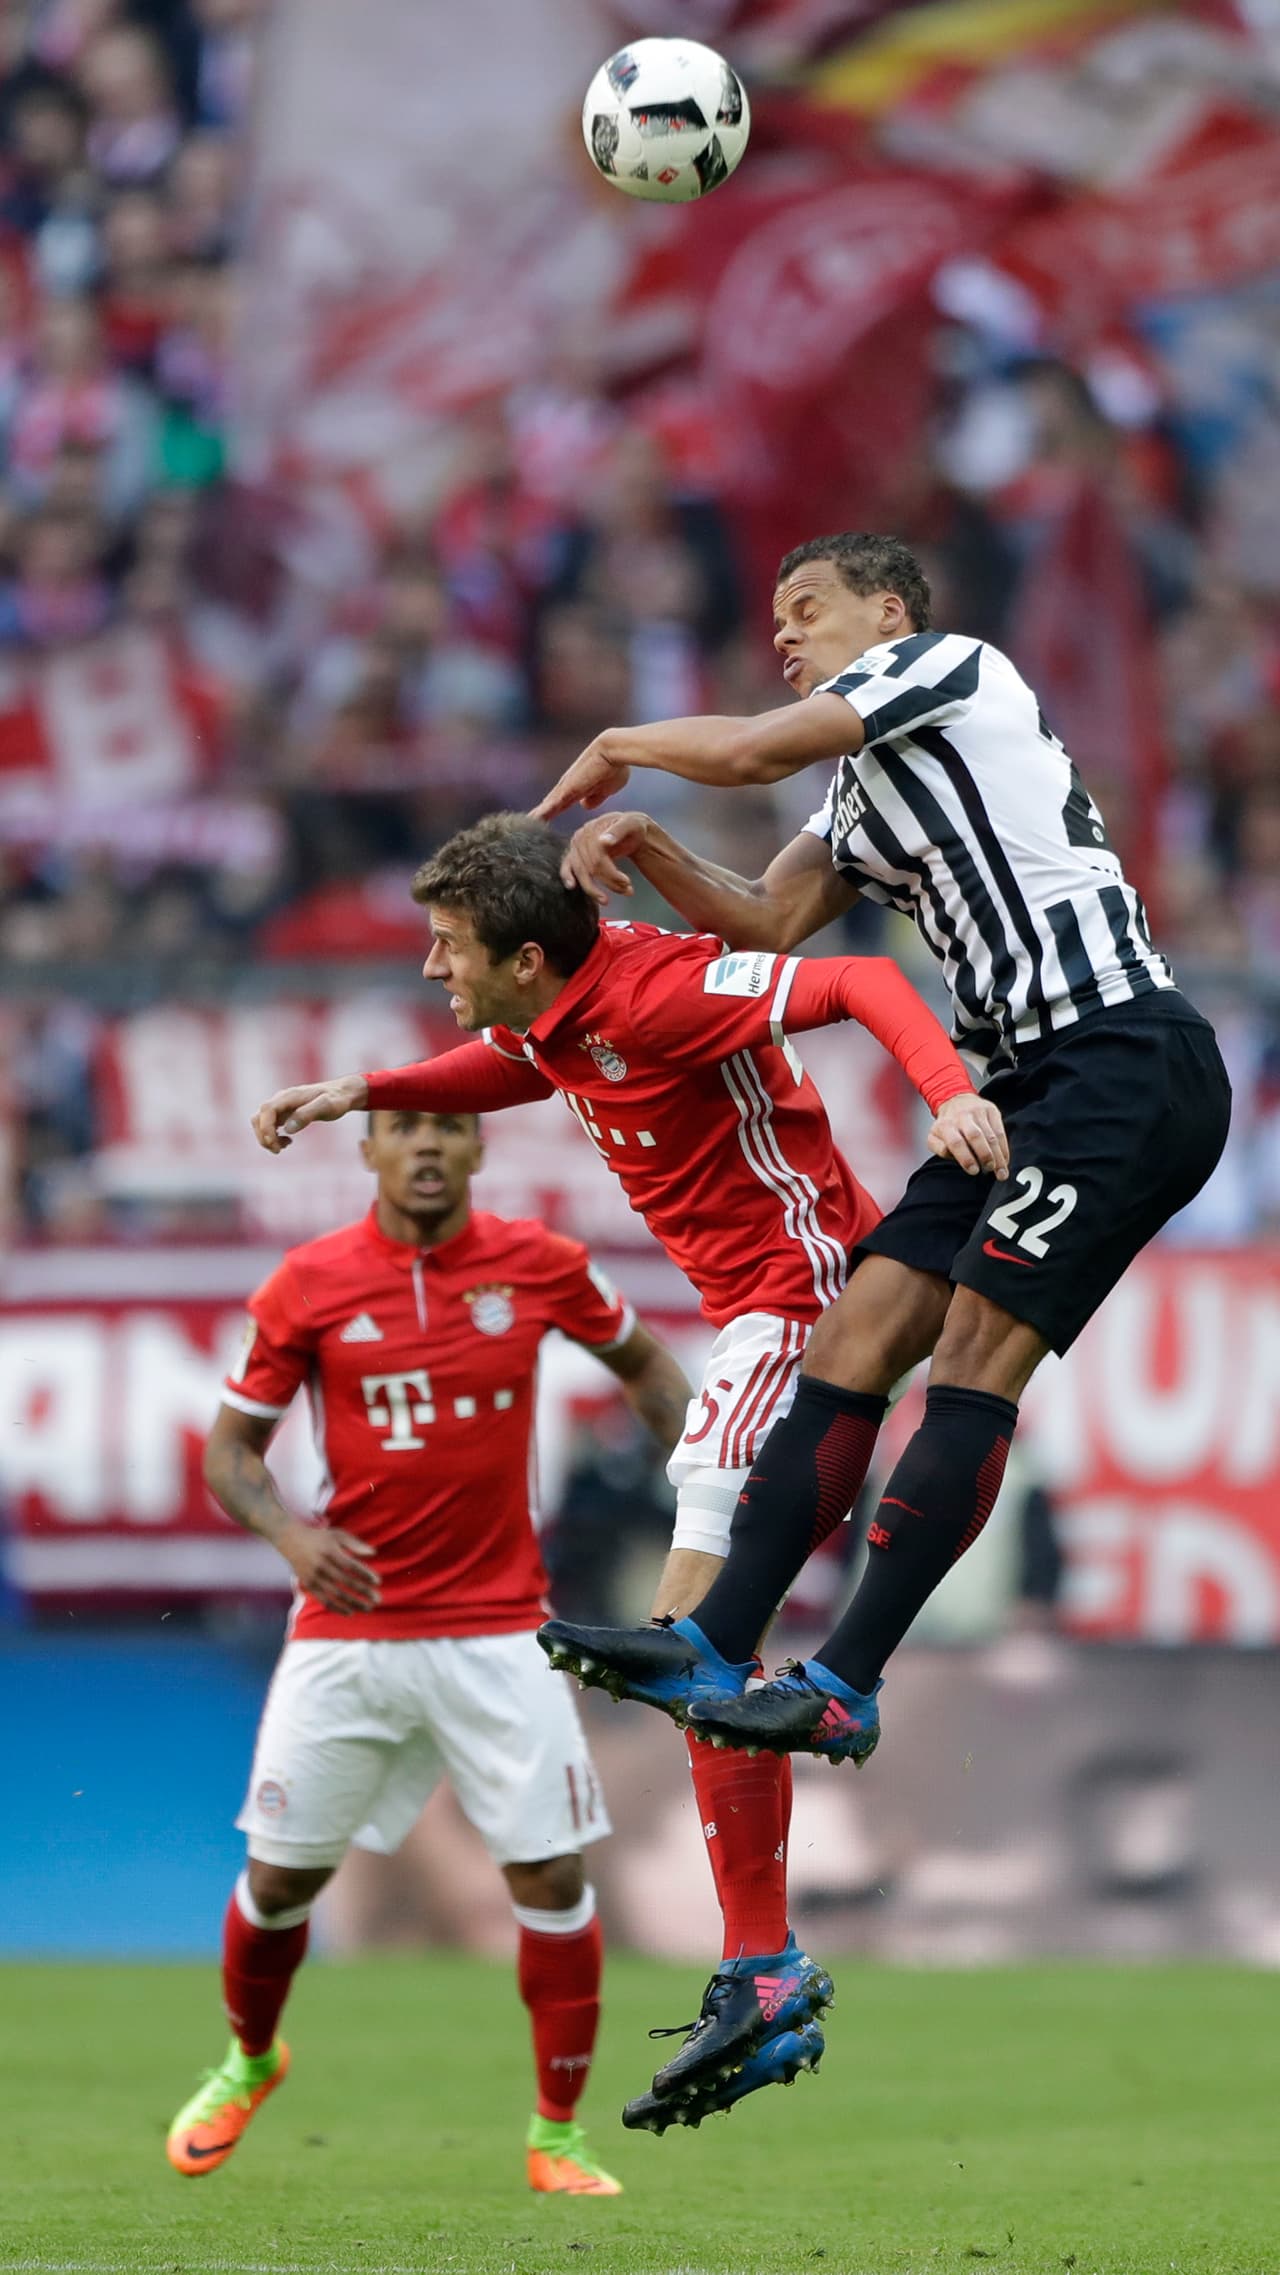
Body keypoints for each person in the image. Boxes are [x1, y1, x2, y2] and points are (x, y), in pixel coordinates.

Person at [250, 810, 1007, 2130]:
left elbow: (865, 979)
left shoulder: (659, 990)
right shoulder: (562, 1013)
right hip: (753, 1313)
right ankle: (760, 1960)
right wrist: (367, 1091)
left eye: (450, 947)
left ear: (532, 955)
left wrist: (948, 1096)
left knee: (695, 1642)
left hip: (810, 1298)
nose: (436, 969)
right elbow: (513, 1060)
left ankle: (764, 1963)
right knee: (705, 1653)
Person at [528, 528, 1232, 1763]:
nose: (786, 633)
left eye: (809, 609)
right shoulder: (861, 791)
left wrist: (622, 745)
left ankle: (847, 1678)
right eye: (777, 616)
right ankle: (715, 1641)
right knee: (857, 1330)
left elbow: (746, 750)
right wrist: (653, 849)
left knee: (971, 1349)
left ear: (888, 611)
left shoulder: (949, 666)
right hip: (1021, 1085)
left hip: (1121, 1054)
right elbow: (764, 915)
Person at [167, 1102, 694, 2197]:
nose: (423, 1146)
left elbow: (645, 1368)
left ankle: (557, 2136)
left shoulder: (539, 1264)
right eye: (400, 1128)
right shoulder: (306, 1282)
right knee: (278, 1880)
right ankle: (250, 2058)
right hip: (349, 1628)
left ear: (476, 1148)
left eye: (444, 1129)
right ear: (365, 1150)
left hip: (500, 1627)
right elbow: (231, 1453)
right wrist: (289, 1534)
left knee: (550, 1875)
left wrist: (707, 1492)